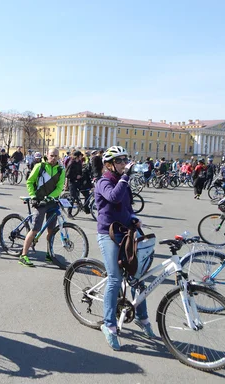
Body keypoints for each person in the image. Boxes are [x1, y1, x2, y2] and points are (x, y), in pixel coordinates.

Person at [95, 145, 153, 350]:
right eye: (119, 161)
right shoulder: (104, 181)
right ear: (109, 164)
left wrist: (134, 218)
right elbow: (113, 197)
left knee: (137, 276)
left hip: (126, 232)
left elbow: (127, 207)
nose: (123, 164)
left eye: (124, 160)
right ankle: (109, 325)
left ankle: (143, 318)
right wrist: (125, 177)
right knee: (115, 278)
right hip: (108, 234)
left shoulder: (122, 181)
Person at [19, 147, 65, 267]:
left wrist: (51, 197)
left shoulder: (60, 170)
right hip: (39, 201)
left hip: (51, 201)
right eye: (51, 155)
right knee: (35, 229)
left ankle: (49, 253)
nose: (53, 158)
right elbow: (30, 181)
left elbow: (60, 187)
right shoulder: (40, 167)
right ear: (47, 155)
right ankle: (23, 255)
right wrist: (33, 196)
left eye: (56, 156)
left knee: (51, 230)